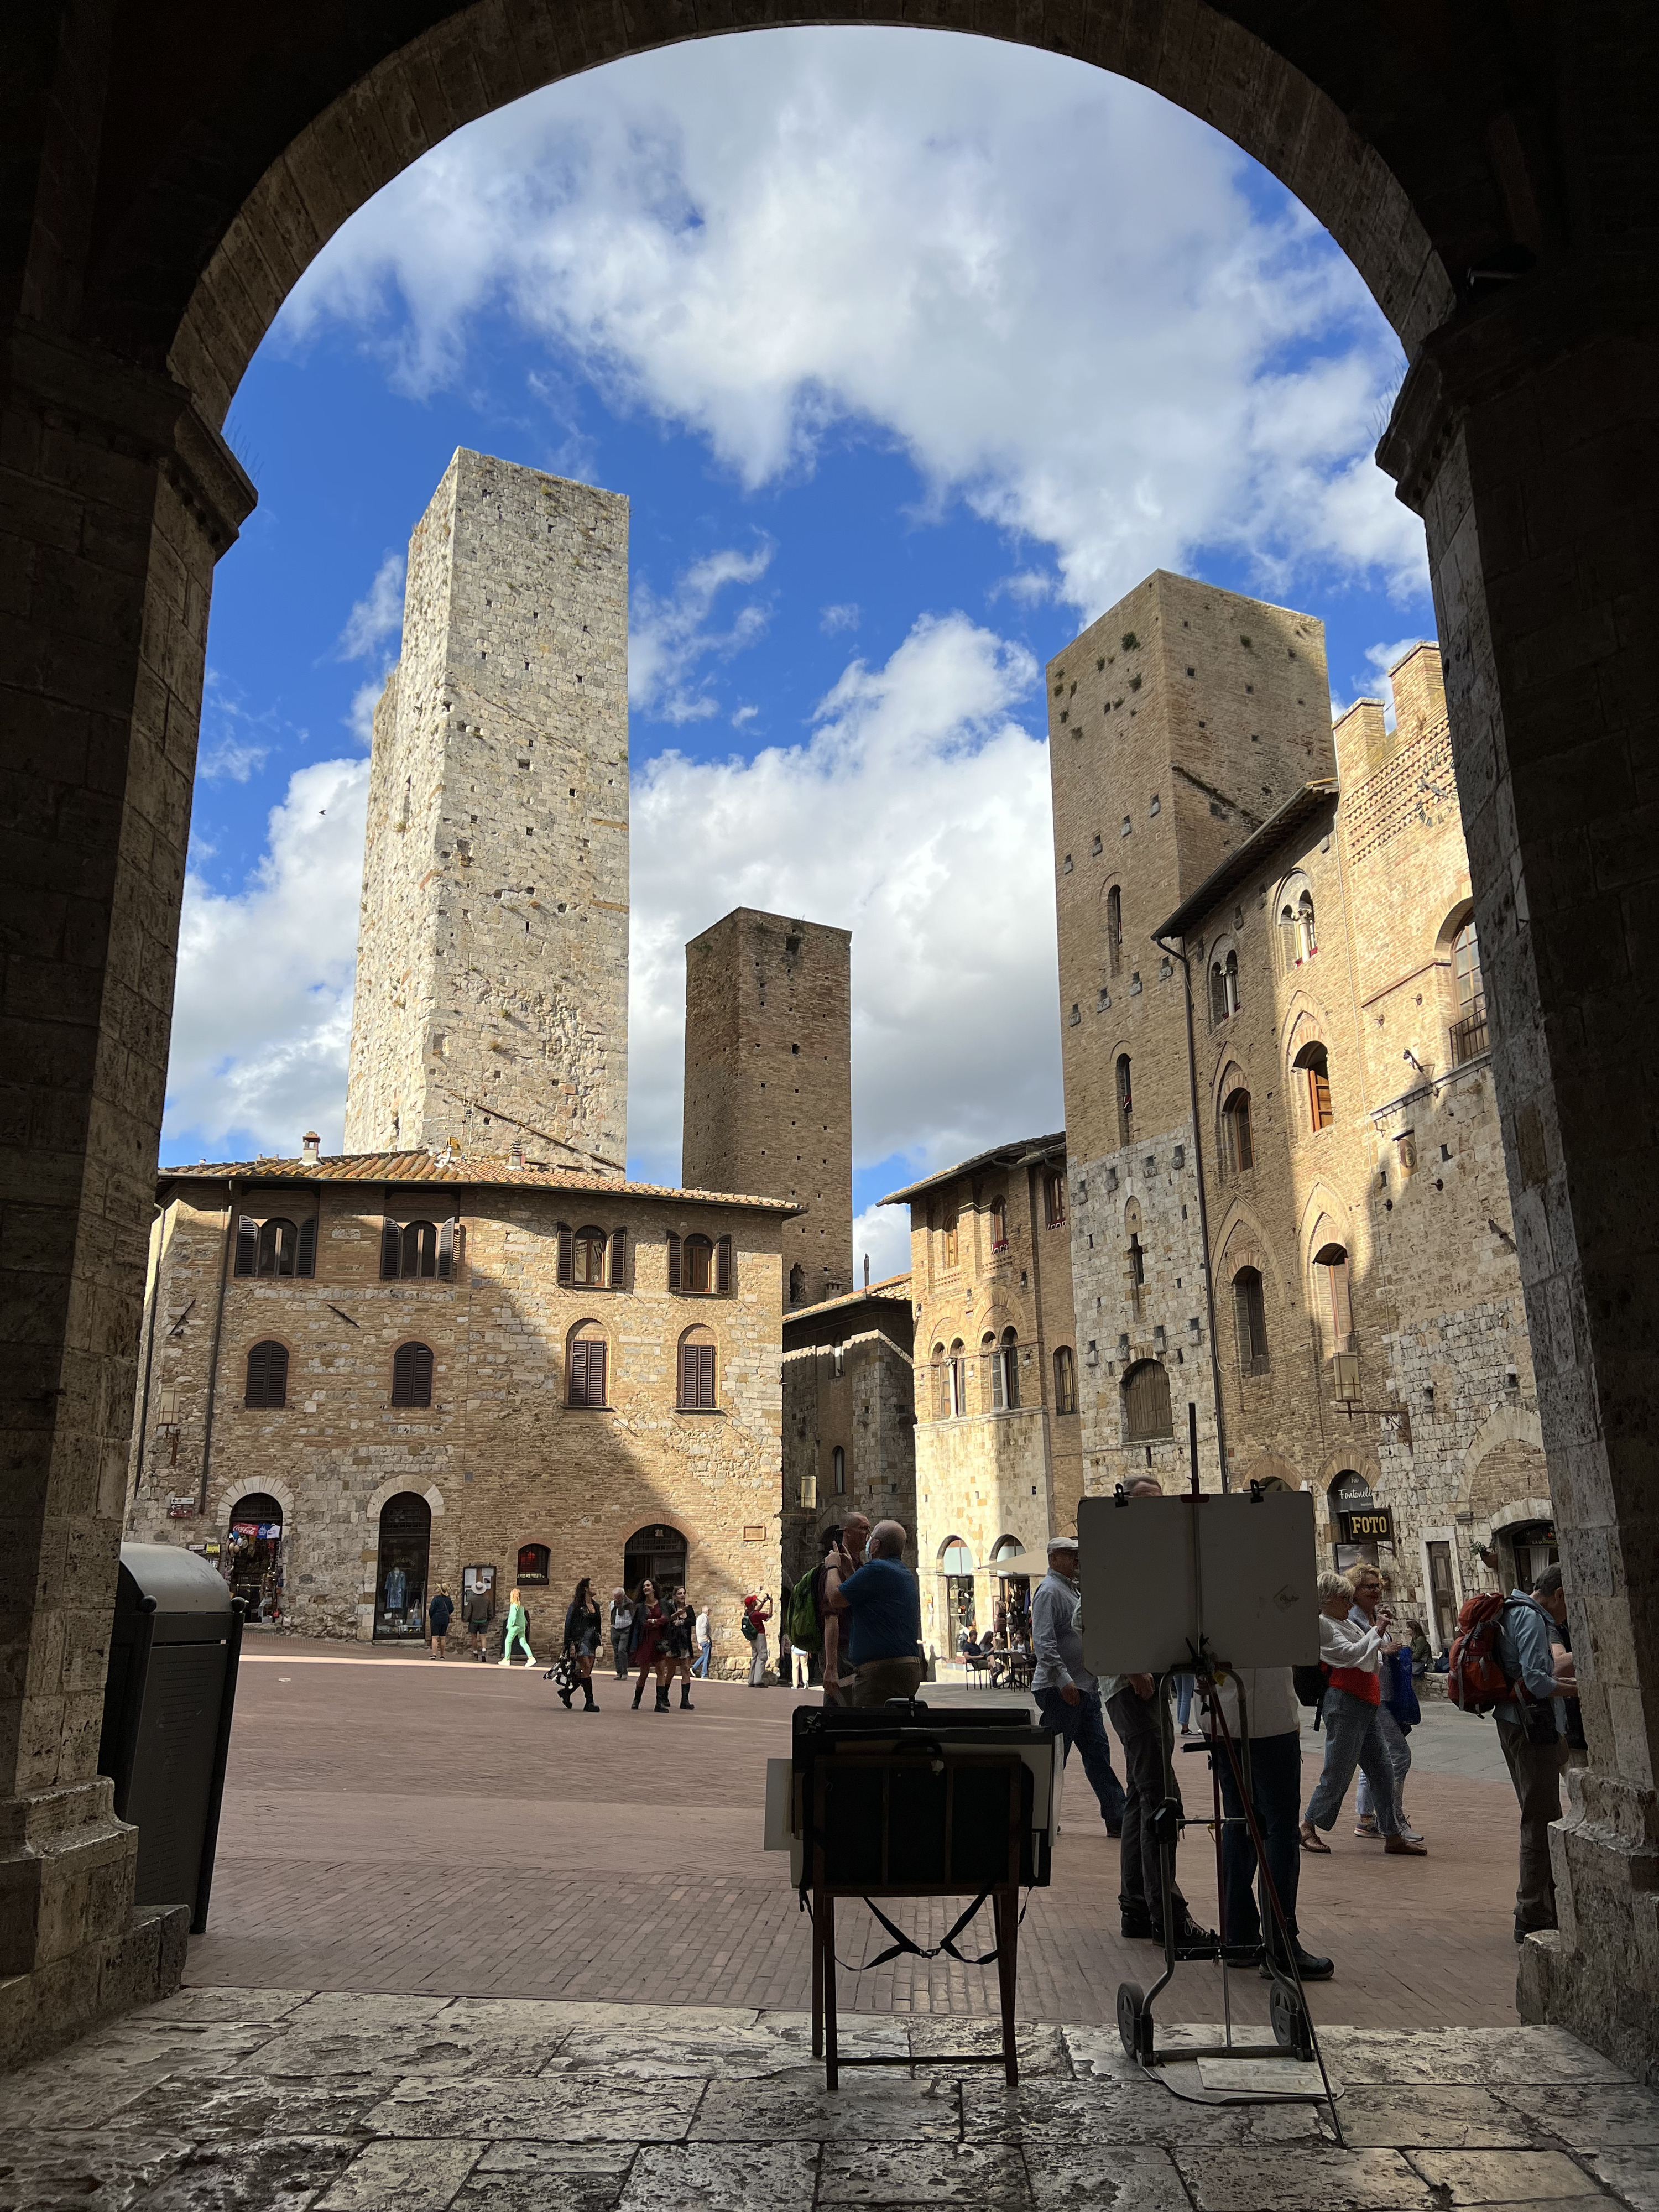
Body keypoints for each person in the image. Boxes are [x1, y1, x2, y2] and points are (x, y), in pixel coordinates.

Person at [1101, 1478, 1211, 1945]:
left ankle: (1137, 1908)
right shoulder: (1120, 1551)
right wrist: (1132, 1667)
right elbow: (1091, 1618)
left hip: (1151, 1686)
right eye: (1146, 1504)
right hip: (1133, 1688)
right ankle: (1169, 1915)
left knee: (1139, 1797)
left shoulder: (1150, 1554)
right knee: (1161, 1799)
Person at [1204, 1662, 1333, 1981]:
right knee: (1279, 1831)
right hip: (1267, 1715)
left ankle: (1238, 1936)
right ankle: (1280, 1943)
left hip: (1218, 1711)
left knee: (1238, 1821)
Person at [1300, 1570, 1426, 1855]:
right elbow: (1354, 1654)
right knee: (1338, 1772)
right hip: (1345, 1704)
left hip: (1364, 1703)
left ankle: (1392, 1834)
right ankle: (1307, 1827)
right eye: (1344, 1599)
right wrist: (1378, 1630)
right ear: (1328, 1599)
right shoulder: (1323, 1625)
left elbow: (1373, 1656)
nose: (1348, 1604)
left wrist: (1374, 1639)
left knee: (1383, 1771)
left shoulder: (1345, 1623)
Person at [1494, 1563, 1572, 1943]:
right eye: (1568, 1604)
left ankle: (1549, 1904)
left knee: (1543, 1814)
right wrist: (1579, 1689)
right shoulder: (1531, 1618)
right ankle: (1532, 1912)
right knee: (1540, 1819)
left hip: (1518, 1722)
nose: (1567, 1614)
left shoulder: (1513, 1609)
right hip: (1530, 1727)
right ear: (1559, 1594)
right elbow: (1538, 1681)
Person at [1031, 1533, 1126, 1838]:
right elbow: (1043, 1641)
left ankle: (1118, 1817)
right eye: (1069, 1554)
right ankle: (1041, 1817)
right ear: (1053, 1559)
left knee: (1097, 1754)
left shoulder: (1071, 1590)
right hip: (1063, 1690)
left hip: (1083, 1688)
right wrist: (1063, 1680)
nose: (1077, 1559)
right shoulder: (1049, 1592)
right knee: (1057, 1757)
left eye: (1077, 1554)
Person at [1351, 1567, 1422, 1841]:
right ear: (1355, 1590)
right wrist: (1382, 1644)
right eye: (1369, 1586)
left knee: (1376, 1760)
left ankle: (1367, 1820)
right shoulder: (1352, 1618)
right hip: (1370, 1697)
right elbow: (1355, 1649)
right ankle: (1392, 1819)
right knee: (1399, 1756)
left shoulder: (1371, 1616)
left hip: (1385, 1697)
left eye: (1378, 1586)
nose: (1376, 1591)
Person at [823, 1520, 924, 1705]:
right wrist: (850, 1570)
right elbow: (866, 1597)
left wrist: (832, 1567)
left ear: (876, 1545)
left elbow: (835, 1598)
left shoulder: (876, 1569)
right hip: (908, 1667)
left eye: (871, 1537)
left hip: (881, 1672)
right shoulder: (903, 1573)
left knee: (870, 1729)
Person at [821, 1514, 869, 1702]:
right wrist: (831, 1666)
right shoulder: (833, 1567)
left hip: (856, 1651)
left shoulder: (858, 1566)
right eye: (863, 1528)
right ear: (847, 1532)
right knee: (838, 1706)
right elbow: (831, 1616)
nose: (867, 1534)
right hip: (841, 1653)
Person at [560, 1576, 602, 1711]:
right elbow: (569, 1625)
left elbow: (598, 1626)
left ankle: (567, 1692)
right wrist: (570, 1644)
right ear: (586, 1588)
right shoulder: (576, 1606)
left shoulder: (596, 1606)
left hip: (592, 1642)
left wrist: (600, 1642)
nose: (595, 1587)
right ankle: (589, 1702)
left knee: (586, 1671)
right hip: (580, 1641)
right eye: (592, 1585)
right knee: (586, 1667)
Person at [629, 1579, 667, 1710]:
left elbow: (665, 1619)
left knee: (661, 1671)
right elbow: (642, 1623)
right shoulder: (640, 1607)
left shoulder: (662, 1604)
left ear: (654, 1588)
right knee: (644, 1673)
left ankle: (660, 1703)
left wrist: (652, 1621)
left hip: (659, 1642)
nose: (646, 1587)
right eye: (644, 1586)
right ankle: (636, 1700)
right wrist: (656, 1622)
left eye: (648, 1585)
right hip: (645, 1642)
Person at [665, 1587, 697, 1709]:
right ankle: (664, 1696)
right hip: (673, 1644)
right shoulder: (670, 1608)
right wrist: (676, 1617)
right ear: (674, 1596)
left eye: (684, 1593)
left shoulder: (689, 1608)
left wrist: (682, 1622)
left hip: (685, 1644)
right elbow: (667, 1621)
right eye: (679, 1594)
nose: (682, 1596)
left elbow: (692, 1621)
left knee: (685, 1669)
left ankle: (685, 1701)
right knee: (671, 1672)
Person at [498, 1586, 535, 1669]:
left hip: (515, 1626)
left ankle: (506, 1659)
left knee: (508, 1641)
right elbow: (524, 1617)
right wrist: (525, 1625)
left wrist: (509, 1625)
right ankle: (531, 1658)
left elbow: (512, 1617)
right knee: (523, 1642)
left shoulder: (514, 1606)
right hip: (522, 1626)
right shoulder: (521, 1607)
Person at [742, 1592, 773, 1686]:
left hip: (753, 1637)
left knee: (755, 1657)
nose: (756, 1601)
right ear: (752, 1604)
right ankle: (758, 1681)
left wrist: (763, 1603)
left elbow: (756, 1611)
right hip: (759, 1636)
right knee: (762, 1657)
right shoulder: (755, 1615)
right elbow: (769, 1615)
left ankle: (751, 1680)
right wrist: (771, 1603)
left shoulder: (747, 1613)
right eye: (754, 1601)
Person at [609, 1587, 633, 1678]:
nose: (616, 1599)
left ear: (623, 1596)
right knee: (616, 1652)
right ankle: (619, 1673)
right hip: (615, 1629)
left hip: (626, 1630)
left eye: (618, 1597)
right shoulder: (612, 1604)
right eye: (615, 1597)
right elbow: (612, 1615)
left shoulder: (629, 1604)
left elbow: (633, 1616)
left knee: (621, 1650)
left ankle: (624, 1673)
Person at [465, 1578, 491, 1661]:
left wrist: (467, 1619)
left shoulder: (472, 1600)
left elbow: (469, 1611)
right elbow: (490, 1611)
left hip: (474, 1621)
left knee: (474, 1638)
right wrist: (489, 1619)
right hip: (484, 1621)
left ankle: (475, 1654)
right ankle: (484, 1652)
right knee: (483, 1637)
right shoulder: (487, 1600)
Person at [427, 1584, 453, 1660]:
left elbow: (431, 1609)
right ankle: (442, 1655)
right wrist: (447, 1614)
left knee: (435, 1637)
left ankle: (434, 1654)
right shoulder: (448, 1599)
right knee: (443, 1637)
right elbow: (452, 1608)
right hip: (445, 1619)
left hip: (436, 1618)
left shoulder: (436, 1599)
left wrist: (432, 1616)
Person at [693, 1602, 712, 1678]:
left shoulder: (700, 1617)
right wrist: (707, 1638)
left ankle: (694, 1667)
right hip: (705, 1640)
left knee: (706, 1655)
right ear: (708, 1611)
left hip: (701, 1639)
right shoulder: (705, 1618)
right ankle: (704, 1674)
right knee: (707, 1657)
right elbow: (704, 1628)